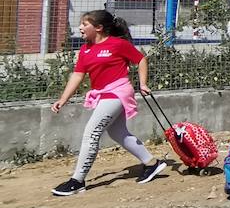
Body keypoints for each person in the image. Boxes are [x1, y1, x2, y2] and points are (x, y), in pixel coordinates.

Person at [50, 10, 167, 196]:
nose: (80, 27)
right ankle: (152, 163)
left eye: (84, 24)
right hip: (102, 94)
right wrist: (63, 99)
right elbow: (78, 75)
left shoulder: (117, 44)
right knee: (118, 133)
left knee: (91, 132)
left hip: (118, 91)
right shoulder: (85, 49)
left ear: (98, 28)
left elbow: (141, 59)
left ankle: (77, 180)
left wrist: (143, 83)